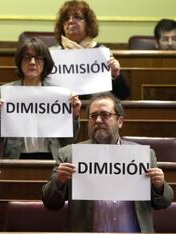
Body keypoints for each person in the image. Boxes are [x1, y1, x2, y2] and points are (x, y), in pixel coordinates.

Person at [42, 92, 174, 232]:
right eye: (93, 116)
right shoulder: (69, 155)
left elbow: (163, 203)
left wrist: (159, 186)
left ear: (120, 121)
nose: (98, 120)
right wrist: (59, 181)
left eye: (105, 115)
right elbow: (51, 203)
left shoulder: (144, 156)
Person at [0, 37, 81, 160]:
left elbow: (69, 140)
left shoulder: (59, 94)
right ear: (20, 62)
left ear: (45, 62)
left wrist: (74, 116)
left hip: (52, 159)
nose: (32, 62)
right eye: (27, 57)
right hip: (16, 158)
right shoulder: (5, 92)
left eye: (38, 58)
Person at [54, 0, 130, 100]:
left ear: (88, 23)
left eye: (77, 17)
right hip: (62, 110)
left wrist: (116, 76)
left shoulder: (101, 53)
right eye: (66, 18)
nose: (71, 21)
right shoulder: (53, 54)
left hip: (95, 112)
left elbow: (123, 95)